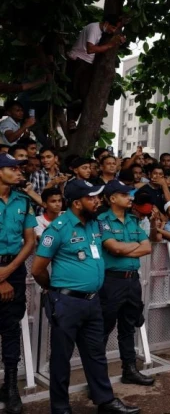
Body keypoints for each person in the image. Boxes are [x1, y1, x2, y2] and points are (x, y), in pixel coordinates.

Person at [31, 179, 139, 414]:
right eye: (92, 198)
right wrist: (54, 291)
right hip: (67, 303)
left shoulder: (95, 225)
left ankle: (105, 401)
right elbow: (37, 269)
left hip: (93, 301)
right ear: (78, 203)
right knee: (61, 358)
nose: (97, 201)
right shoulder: (58, 228)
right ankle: (60, 408)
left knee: (96, 354)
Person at [97, 180, 154, 386]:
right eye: (125, 194)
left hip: (133, 281)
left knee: (128, 327)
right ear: (112, 198)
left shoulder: (133, 220)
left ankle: (129, 370)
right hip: (112, 281)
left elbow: (147, 248)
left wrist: (124, 247)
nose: (130, 197)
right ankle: (98, 377)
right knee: (103, 328)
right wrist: (129, 247)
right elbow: (114, 248)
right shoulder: (103, 220)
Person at [0, 154, 37, 414]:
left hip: (12, 268)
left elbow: (30, 241)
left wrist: (7, 273)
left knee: (11, 327)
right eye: (12, 168)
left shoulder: (23, 201)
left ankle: (10, 386)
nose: (17, 172)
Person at [66, 15, 125, 127]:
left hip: (86, 64)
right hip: (78, 61)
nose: (113, 31)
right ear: (106, 23)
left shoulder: (103, 31)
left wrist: (120, 40)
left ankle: (73, 120)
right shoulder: (94, 28)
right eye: (112, 28)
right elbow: (90, 49)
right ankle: (71, 120)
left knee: (85, 94)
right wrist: (110, 45)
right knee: (76, 93)